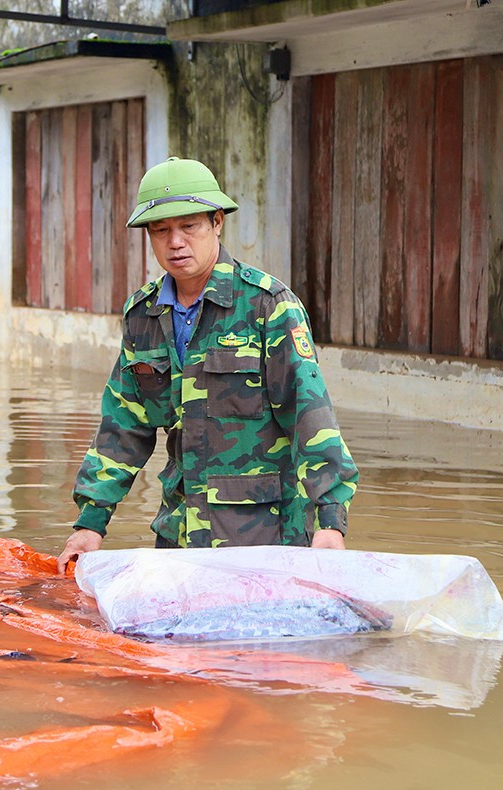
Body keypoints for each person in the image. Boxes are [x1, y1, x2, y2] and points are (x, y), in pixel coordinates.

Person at [58, 157, 358, 573]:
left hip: (264, 539)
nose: (175, 242)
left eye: (189, 226)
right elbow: (124, 425)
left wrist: (330, 522)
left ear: (217, 222)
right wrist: (90, 523)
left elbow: (310, 416)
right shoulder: (143, 316)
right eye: (161, 231)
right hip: (178, 536)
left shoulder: (267, 306)